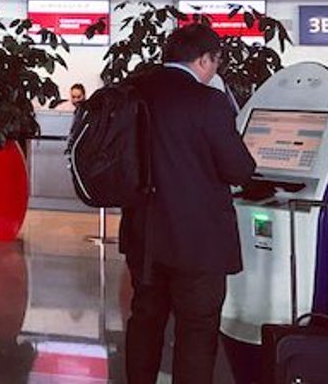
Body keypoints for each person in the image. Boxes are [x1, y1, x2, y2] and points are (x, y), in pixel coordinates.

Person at [121, 23, 256, 384]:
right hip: (198, 242)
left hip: (144, 234)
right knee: (197, 328)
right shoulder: (208, 102)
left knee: (145, 319)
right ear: (204, 59)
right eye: (215, 63)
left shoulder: (133, 93)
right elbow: (239, 169)